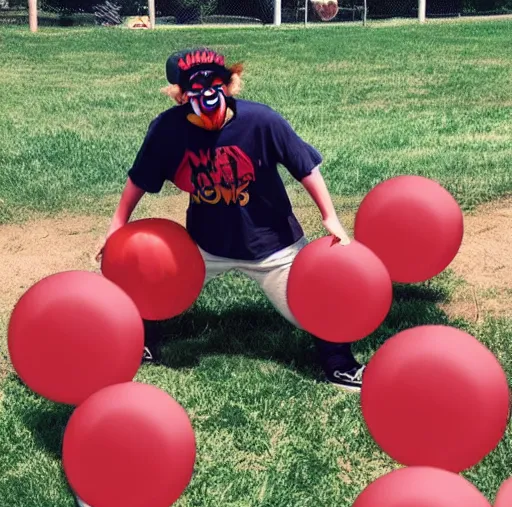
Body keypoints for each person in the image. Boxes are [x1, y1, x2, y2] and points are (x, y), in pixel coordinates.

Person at [96, 47, 366, 392]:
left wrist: (330, 217)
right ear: (179, 95)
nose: (207, 93)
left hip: (273, 246)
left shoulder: (262, 121)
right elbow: (140, 179)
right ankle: (144, 339)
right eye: (195, 87)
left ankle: (339, 364)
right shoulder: (168, 130)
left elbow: (305, 167)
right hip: (204, 246)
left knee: (316, 304)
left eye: (216, 83)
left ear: (231, 84)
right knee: (150, 274)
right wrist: (117, 226)